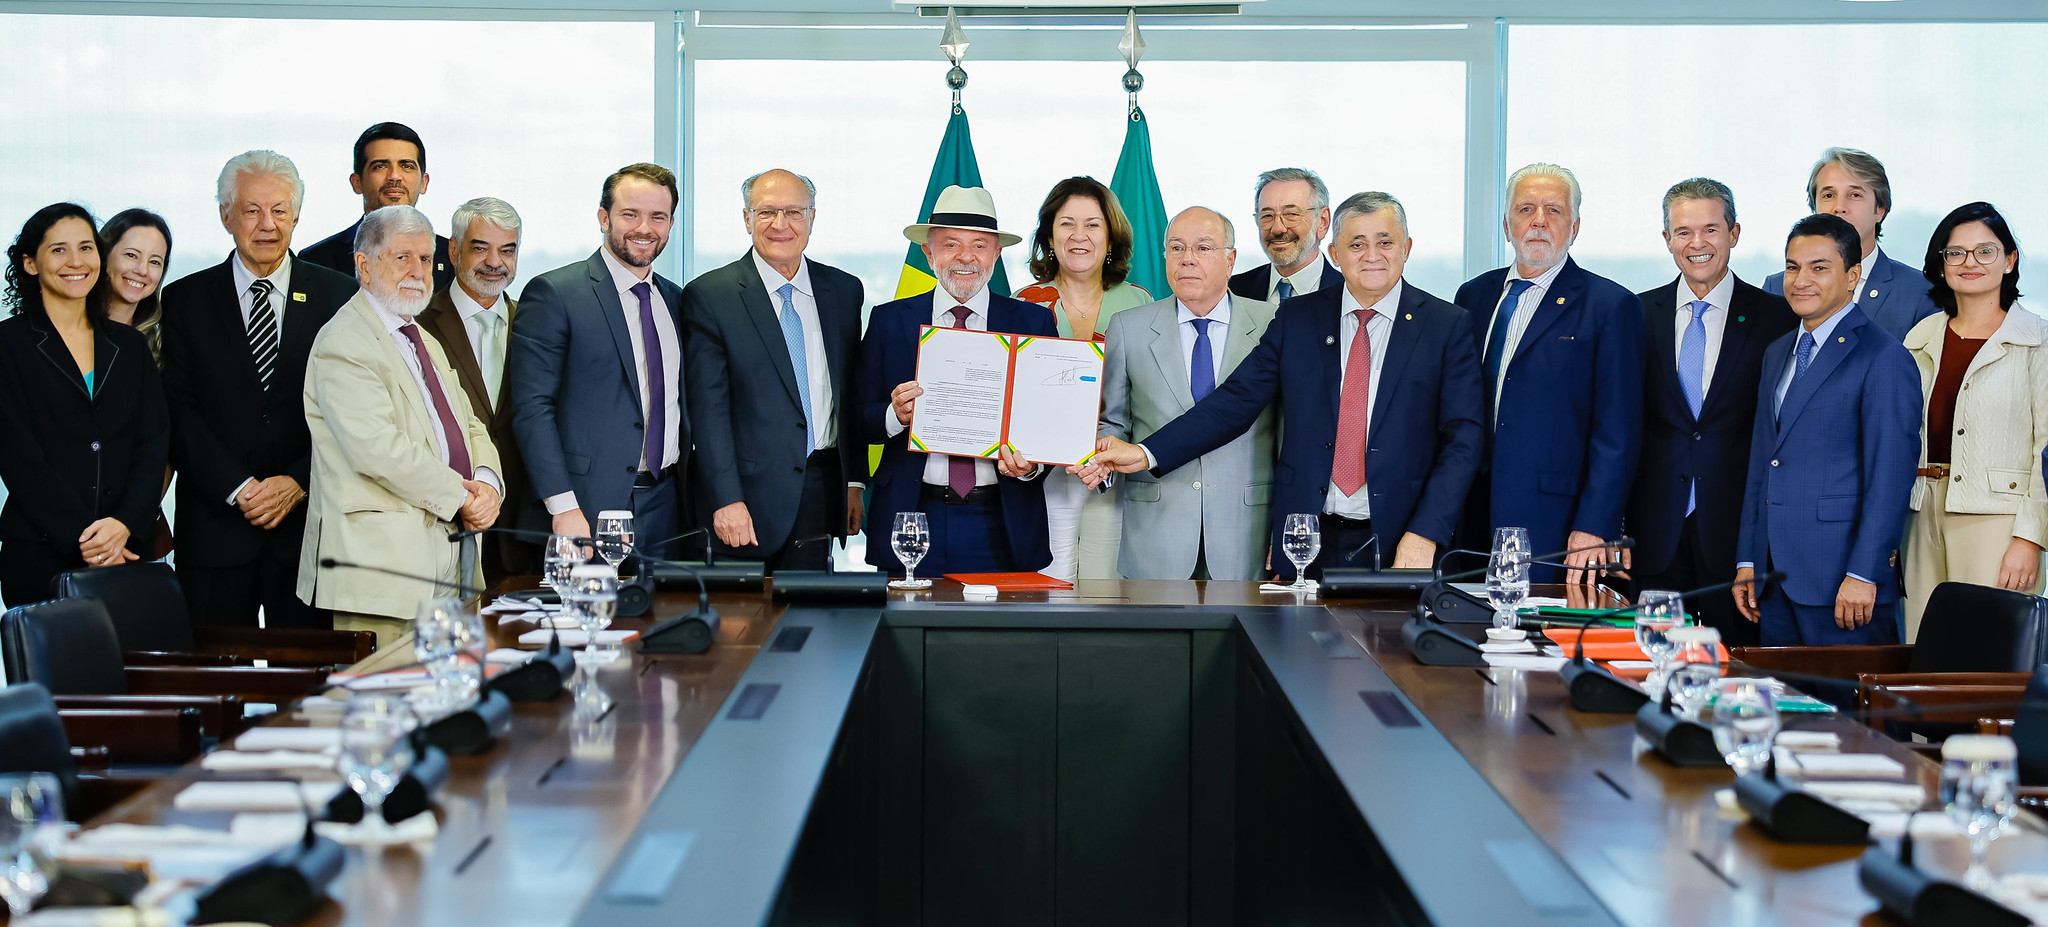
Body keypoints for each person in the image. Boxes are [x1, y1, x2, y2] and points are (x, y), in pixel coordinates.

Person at [1086, 193, 1482, 580]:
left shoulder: (1447, 326)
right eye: (1356, 244)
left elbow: (1463, 441)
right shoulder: (1297, 319)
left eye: (1385, 242)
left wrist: (1425, 533)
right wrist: (1145, 452)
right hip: (1307, 542)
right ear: (1335, 253)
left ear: (1407, 248)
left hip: (1403, 541)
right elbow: (1236, 402)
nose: (1372, 255)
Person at [159, 151, 356, 630]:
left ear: (296, 215)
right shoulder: (185, 299)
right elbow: (180, 412)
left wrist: (298, 480)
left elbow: (352, 411)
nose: (267, 225)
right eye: (251, 210)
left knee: (312, 690)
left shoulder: (341, 295)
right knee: (213, 689)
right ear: (226, 215)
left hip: (310, 532)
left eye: (279, 210)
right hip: (215, 530)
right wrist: (238, 487)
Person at [298, 206, 501, 647]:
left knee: (449, 700)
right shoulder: (343, 341)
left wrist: (487, 483)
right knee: (389, 708)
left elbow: (468, 422)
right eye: (402, 257)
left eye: (426, 259)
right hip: (384, 571)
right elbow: (376, 448)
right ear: (364, 265)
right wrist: (462, 498)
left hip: (454, 552)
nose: (418, 271)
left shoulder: (420, 336)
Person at [1734, 214, 1920, 646]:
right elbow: (1763, 462)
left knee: (1847, 713)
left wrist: (1864, 572)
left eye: (1820, 268)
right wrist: (1748, 558)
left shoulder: (1883, 357)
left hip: (1843, 582)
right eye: (1793, 267)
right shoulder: (1779, 351)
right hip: (1773, 578)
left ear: (1852, 276)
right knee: (1787, 709)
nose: (1801, 280)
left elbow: (1890, 478)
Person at [1626, 179, 1796, 646]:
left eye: (1710, 230)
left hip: (1737, 534)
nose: (1696, 244)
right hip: (1654, 532)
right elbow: (1622, 427)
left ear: (1734, 233)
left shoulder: (1778, 318)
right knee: (1649, 663)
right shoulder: (1636, 314)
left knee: (1735, 671)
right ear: (1666, 240)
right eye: (1682, 232)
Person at [1454, 163, 1642, 583]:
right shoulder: (1473, 296)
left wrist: (1595, 524)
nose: (1538, 221)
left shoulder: (1610, 305)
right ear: (1507, 224)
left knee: (1543, 640)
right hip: (1468, 518)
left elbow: (1619, 432)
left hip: (1556, 522)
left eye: (1554, 211)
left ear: (1574, 227)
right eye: (1525, 209)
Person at [858, 185, 1054, 576]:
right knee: (906, 633)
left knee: (995, 634)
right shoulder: (888, 320)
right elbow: (856, 418)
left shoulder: (1033, 323)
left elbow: (1048, 423)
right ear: (929, 254)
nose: (966, 257)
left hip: (1003, 518)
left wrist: (1030, 467)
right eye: (950, 245)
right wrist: (894, 415)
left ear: (996, 255)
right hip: (911, 518)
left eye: (980, 245)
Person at [683, 169, 866, 572]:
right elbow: (708, 412)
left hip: (821, 494)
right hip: (745, 503)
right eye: (766, 212)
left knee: (811, 627)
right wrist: (726, 499)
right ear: (746, 219)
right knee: (742, 630)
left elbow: (847, 396)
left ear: (812, 218)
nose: (780, 225)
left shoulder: (844, 290)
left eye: (794, 212)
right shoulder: (710, 295)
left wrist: (853, 481)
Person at [509, 163, 692, 557]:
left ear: (671, 224)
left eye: (657, 216)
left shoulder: (678, 302)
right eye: (631, 214)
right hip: (584, 510)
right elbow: (531, 409)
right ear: (603, 217)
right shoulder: (555, 293)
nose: (644, 227)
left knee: (666, 618)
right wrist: (564, 507)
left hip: (667, 508)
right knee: (587, 618)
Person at [0, 203, 168, 605]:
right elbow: (18, 458)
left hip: (126, 550)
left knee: (132, 669)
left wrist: (125, 524)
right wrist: (89, 540)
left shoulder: (128, 346)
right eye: (58, 250)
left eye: (86, 247)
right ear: (29, 263)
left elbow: (153, 442)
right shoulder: (8, 345)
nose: (76, 261)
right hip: (41, 553)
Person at [1900, 202, 2048, 640]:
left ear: (2010, 260)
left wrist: (2030, 538)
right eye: (1956, 253)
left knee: (1987, 651)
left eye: (1985, 251)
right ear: (1941, 263)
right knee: (1921, 651)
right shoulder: (1920, 336)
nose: (1970, 263)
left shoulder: (2037, 340)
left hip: (1997, 519)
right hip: (1920, 509)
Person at [1015, 176, 1152, 581]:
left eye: (1093, 224)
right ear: (1049, 236)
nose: (1080, 236)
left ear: (1111, 238)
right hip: (1041, 473)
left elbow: (1148, 394)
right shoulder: (1023, 304)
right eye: (1066, 224)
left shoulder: (1140, 302)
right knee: (1047, 591)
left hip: (1113, 472)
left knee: (1103, 592)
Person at [416, 196, 535, 582]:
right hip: (446, 524)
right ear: (453, 250)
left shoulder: (537, 323)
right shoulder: (416, 325)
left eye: (507, 250)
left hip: (526, 531)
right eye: (480, 248)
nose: (494, 262)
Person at [1763, 148, 1937, 341]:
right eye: (1828, 195)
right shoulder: (1777, 288)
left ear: (1880, 210)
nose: (1839, 207)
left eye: (1855, 195)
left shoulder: (1920, 292)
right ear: (1815, 208)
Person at [300, 122, 455, 293]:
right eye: (380, 166)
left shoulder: (453, 258)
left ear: (424, 182)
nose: (394, 176)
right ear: (357, 182)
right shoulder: (316, 260)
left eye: (406, 166)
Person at [1229, 167, 1343, 303]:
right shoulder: (1232, 292)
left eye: (1291, 214)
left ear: (1322, 221)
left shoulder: (1350, 294)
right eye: (1267, 216)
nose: (1277, 229)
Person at [97, 209, 172, 367]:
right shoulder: (68, 329)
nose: (142, 270)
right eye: (131, 255)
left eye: (155, 262)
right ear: (103, 255)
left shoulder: (163, 345)